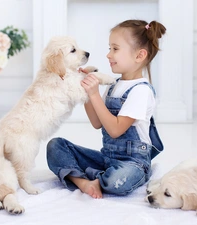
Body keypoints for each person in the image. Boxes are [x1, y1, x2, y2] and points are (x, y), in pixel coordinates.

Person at [46, 19, 166, 199]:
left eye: (115, 49)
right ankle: (85, 182)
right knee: (56, 146)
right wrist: (86, 90)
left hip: (133, 163)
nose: (108, 55)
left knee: (116, 180)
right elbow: (96, 122)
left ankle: (90, 177)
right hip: (107, 159)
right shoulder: (114, 85)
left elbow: (116, 130)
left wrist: (94, 94)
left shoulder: (141, 90)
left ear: (139, 56)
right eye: (109, 48)